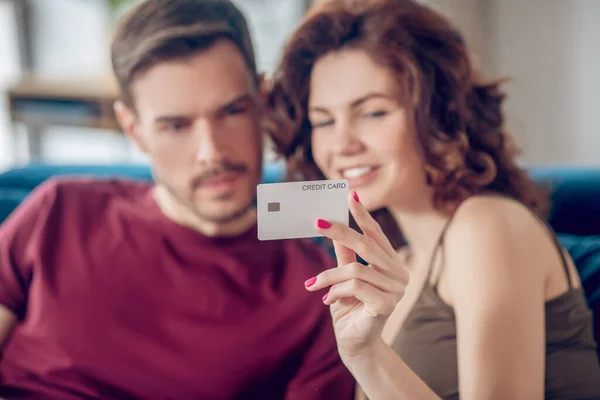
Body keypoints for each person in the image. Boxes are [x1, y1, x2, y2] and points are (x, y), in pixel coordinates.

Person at [0, 0, 355, 398]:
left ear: (262, 102)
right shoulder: (59, 210)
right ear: (133, 130)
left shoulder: (316, 289)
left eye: (232, 111)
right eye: (176, 125)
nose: (212, 152)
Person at [267, 0, 600, 398]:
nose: (341, 144)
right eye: (323, 121)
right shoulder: (397, 263)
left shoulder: (486, 225)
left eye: (373, 112)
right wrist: (363, 351)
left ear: (438, 114)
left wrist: (369, 356)